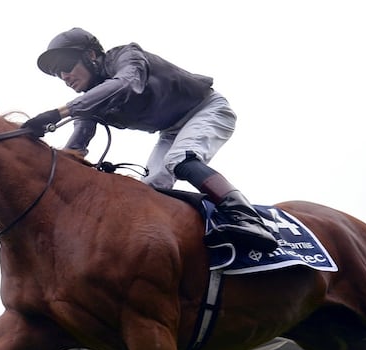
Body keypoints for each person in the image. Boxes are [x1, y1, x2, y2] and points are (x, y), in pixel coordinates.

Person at [24, 28, 278, 253]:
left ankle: (247, 217)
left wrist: (57, 113)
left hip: (206, 109)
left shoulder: (126, 56)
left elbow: (125, 84)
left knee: (179, 160)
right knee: (151, 188)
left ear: (91, 55)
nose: (65, 77)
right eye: (58, 74)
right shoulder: (90, 102)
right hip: (170, 130)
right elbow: (76, 147)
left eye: (66, 67)